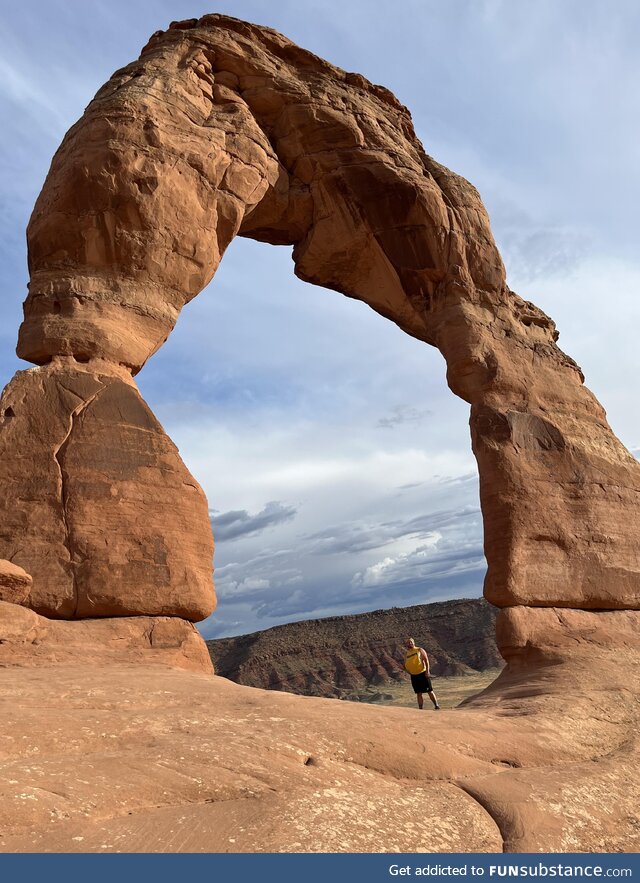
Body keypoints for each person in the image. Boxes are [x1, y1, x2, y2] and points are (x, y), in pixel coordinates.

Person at [404, 637, 440, 710]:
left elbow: (426, 660)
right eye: (408, 642)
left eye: (411, 642)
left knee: (429, 691)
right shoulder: (407, 653)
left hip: (422, 673)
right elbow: (406, 663)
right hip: (414, 675)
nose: (410, 643)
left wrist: (427, 671)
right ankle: (420, 708)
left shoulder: (419, 650)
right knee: (418, 693)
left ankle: (436, 706)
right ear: (406, 644)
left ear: (414, 642)